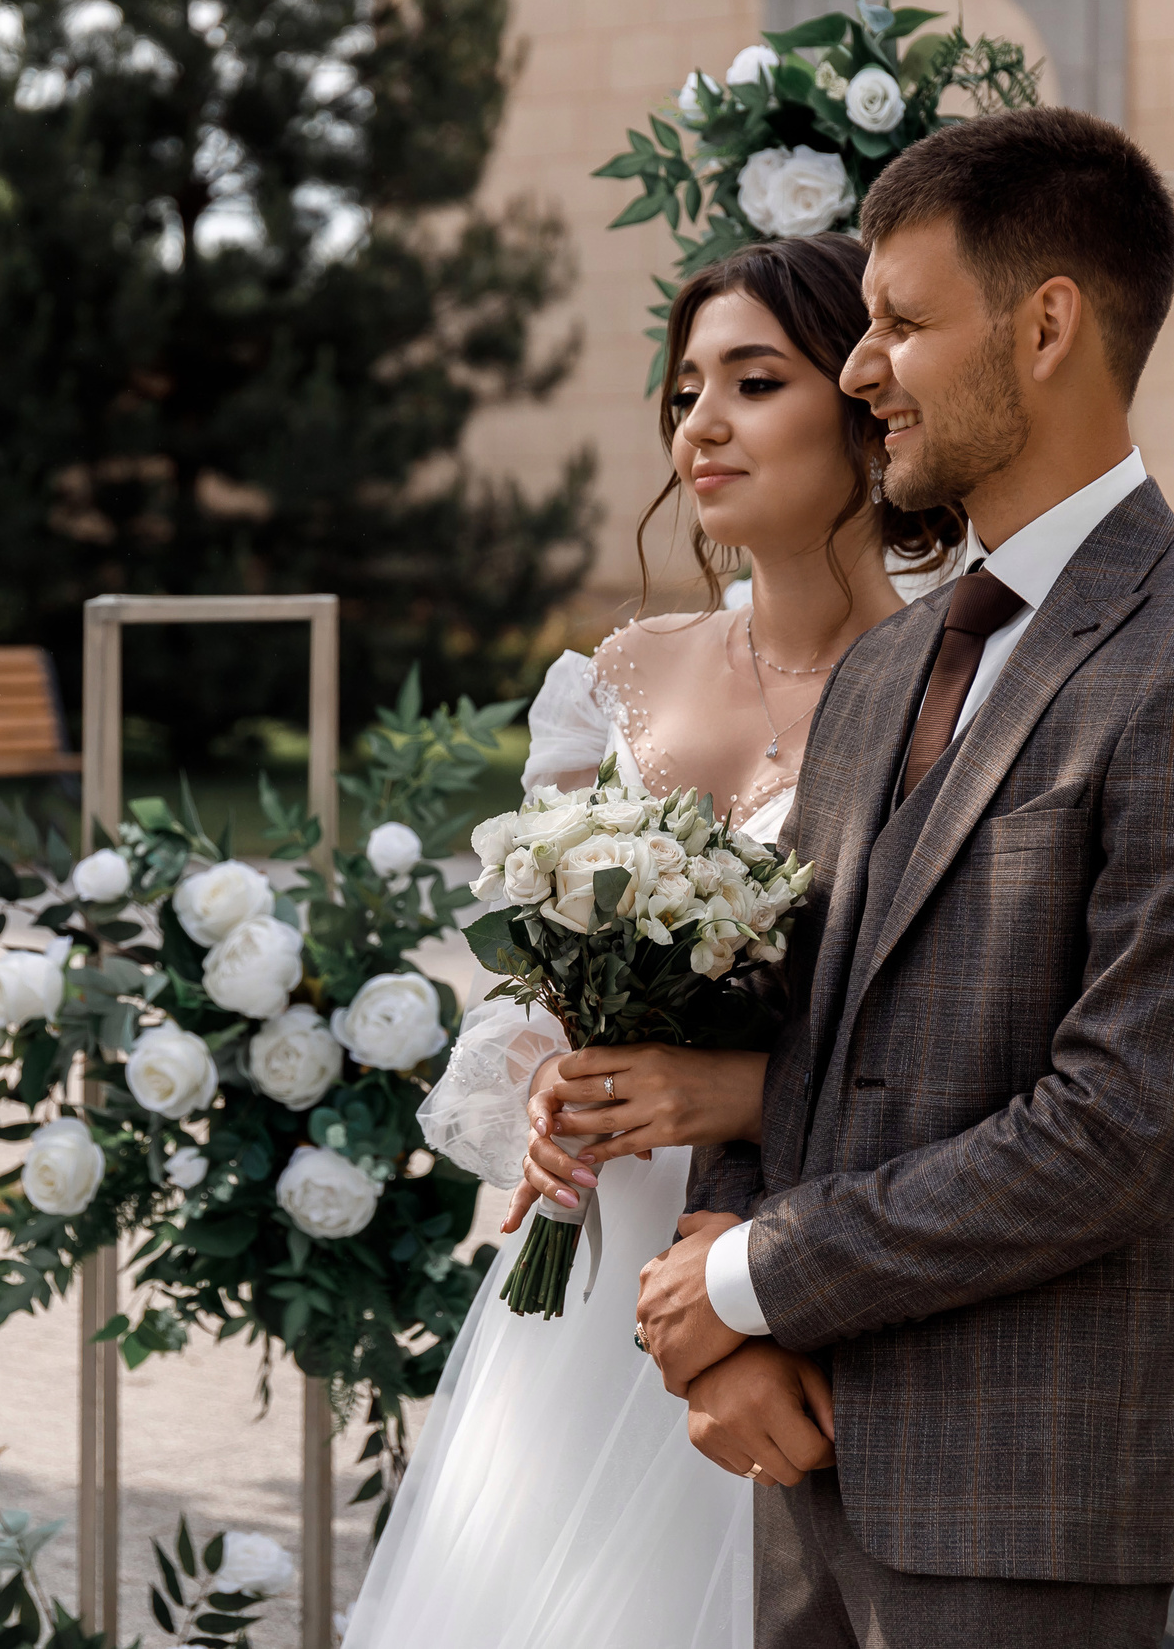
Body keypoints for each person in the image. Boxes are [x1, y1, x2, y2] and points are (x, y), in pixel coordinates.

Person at [610, 108, 1174, 1647]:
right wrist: (722, 1329)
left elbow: (1118, 1131)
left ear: (1050, 323)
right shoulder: (887, 668)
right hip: (802, 1457)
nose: (861, 368)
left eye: (899, 323)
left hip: (1027, 1496)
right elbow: (786, 1033)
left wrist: (753, 1277)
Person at [341, 232, 962, 1649]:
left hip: (814, 1249)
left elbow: (952, 1023)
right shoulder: (615, 681)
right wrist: (543, 1091)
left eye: (755, 380)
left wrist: (739, 1095)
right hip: (599, 1246)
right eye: (685, 391)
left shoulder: (958, 695)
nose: (703, 425)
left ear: (869, 406)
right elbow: (528, 984)